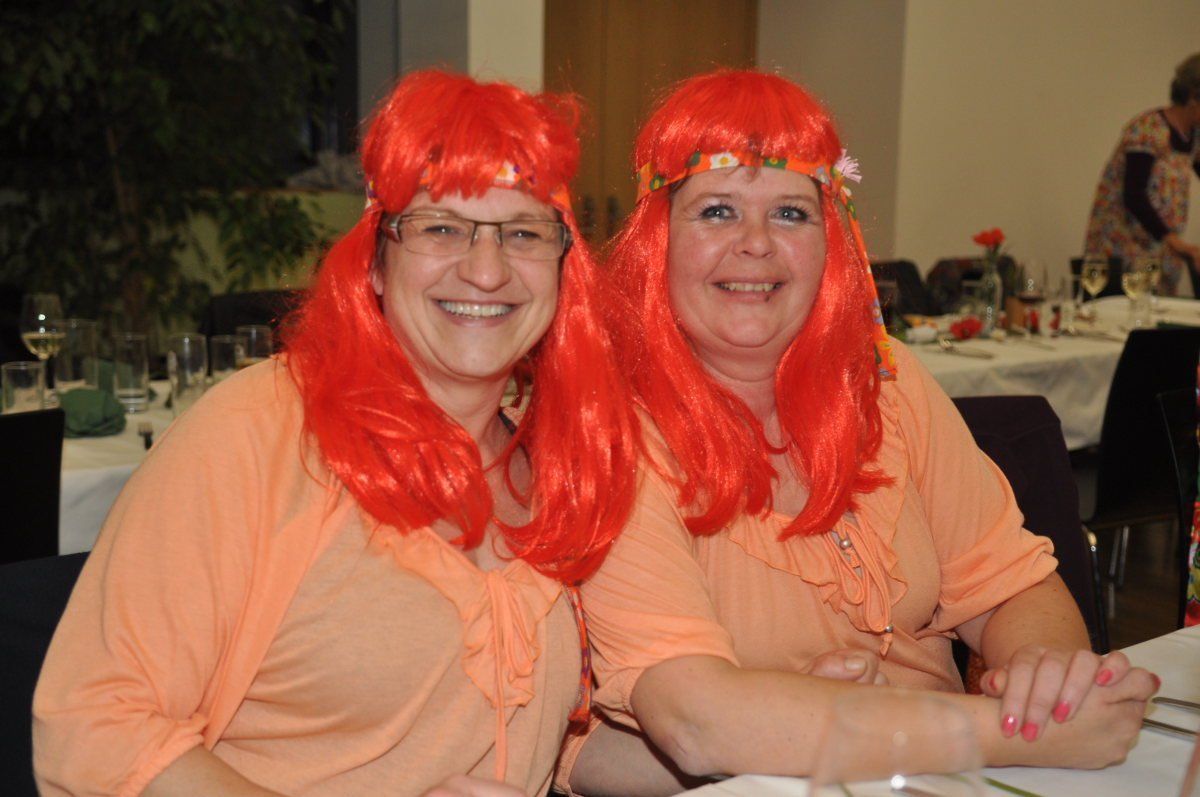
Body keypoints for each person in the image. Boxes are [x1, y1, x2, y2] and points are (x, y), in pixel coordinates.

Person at [32, 71, 639, 797]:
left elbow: (545, 738)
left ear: (563, 265)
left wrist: (732, 757)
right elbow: (96, 725)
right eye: (441, 227)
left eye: (523, 232)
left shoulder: (555, 464)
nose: (486, 270)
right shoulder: (257, 435)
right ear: (376, 260)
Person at [562, 70, 1158, 794]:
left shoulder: (886, 381)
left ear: (831, 241)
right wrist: (1014, 733)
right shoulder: (611, 430)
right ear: (657, 240)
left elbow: (1011, 585)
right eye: (717, 211)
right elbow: (692, 721)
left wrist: (1044, 676)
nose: (756, 244)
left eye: (791, 213)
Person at [1084, 52, 1200, 295]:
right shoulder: (1148, 129)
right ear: (1193, 96)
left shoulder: (1195, 135)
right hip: (1122, 250)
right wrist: (1174, 241)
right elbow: (1134, 195)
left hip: (1160, 250)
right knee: (1128, 312)